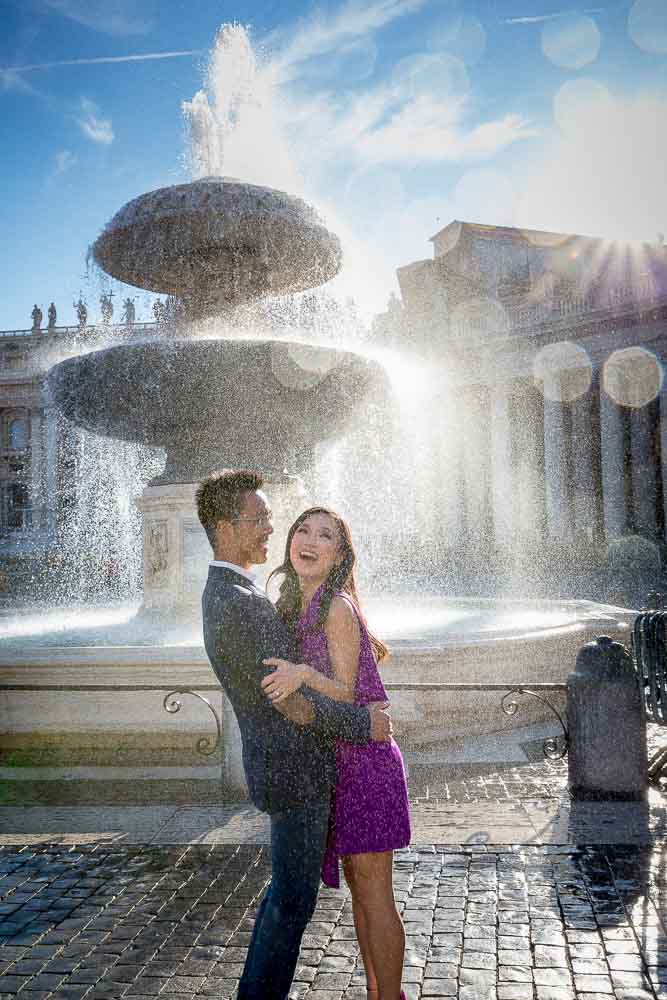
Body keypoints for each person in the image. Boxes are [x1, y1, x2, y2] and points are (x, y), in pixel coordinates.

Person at [196, 470, 393, 1000]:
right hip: (294, 769)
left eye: (267, 518)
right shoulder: (238, 601)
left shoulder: (235, 592)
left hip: (288, 767)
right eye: (257, 519)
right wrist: (365, 724)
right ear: (224, 527)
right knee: (291, 901)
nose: (268, 528)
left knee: (288, 897)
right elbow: (291, 703)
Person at [262, 507, 410, 1000]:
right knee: (361, 895)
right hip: (339, 764)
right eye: (302, 530)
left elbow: (345, 694)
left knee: (374, 895)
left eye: (324, 535)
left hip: (366, 763)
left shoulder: (336, 607)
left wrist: (301, 674)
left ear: (339, 554)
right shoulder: (298, 604)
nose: (308, 540)